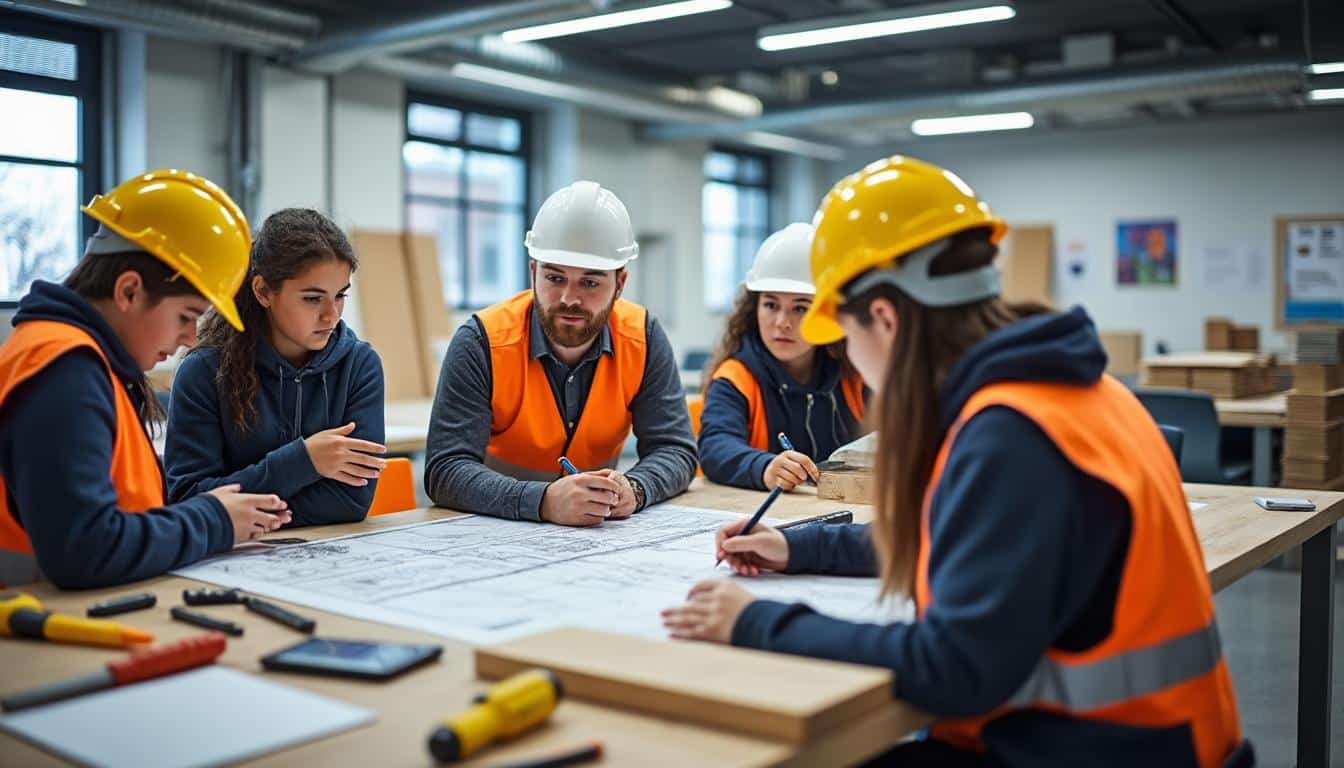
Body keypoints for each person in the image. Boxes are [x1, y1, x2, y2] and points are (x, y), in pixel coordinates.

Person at [662, 156, 1246, 767]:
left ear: (885, 320)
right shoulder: (1066, 390)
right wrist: (797, 546)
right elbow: (968, 544)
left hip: (1094, 750)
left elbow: (953, 668)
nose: (849, 358)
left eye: (844, 333)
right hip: (1135, 741)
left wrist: (755, 624)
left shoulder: (1009, 433)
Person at [0, 170, 291, 589]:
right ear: (130, 291)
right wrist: (212, 520)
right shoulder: (65, 372)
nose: (190, 337)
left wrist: (208, 508)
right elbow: (85, 549)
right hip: (35, 628)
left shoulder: (89, 363)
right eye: (186, 316)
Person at [425, 181, 696, 526]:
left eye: (590, 282)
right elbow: (444, 470)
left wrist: (636, 488)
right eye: (555, 278)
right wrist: (541, 501)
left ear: (620, 284)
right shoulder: (481, 342)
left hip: (596, 533)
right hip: (493, 526)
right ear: (534, 272)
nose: (569, 298)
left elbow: (676, 450)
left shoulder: (643, 337)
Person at [166, 208, 386, 525]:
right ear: (263, 291)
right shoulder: (203, 372)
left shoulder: (360, 366)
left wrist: (240, 504)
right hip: (225, 563)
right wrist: (304, 462)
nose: (332, 315)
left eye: (339, 296)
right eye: (312, 298)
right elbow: (190, 498)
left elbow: (351, 502)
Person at [699, 222, 867, 490]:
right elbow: (714, 448)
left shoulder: (854, 370)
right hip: (770, 518)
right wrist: (764, 467)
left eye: (800, 308)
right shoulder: (736, 377)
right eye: (770, 305)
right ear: (753, 309)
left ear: (827, 312)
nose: (782, 322)